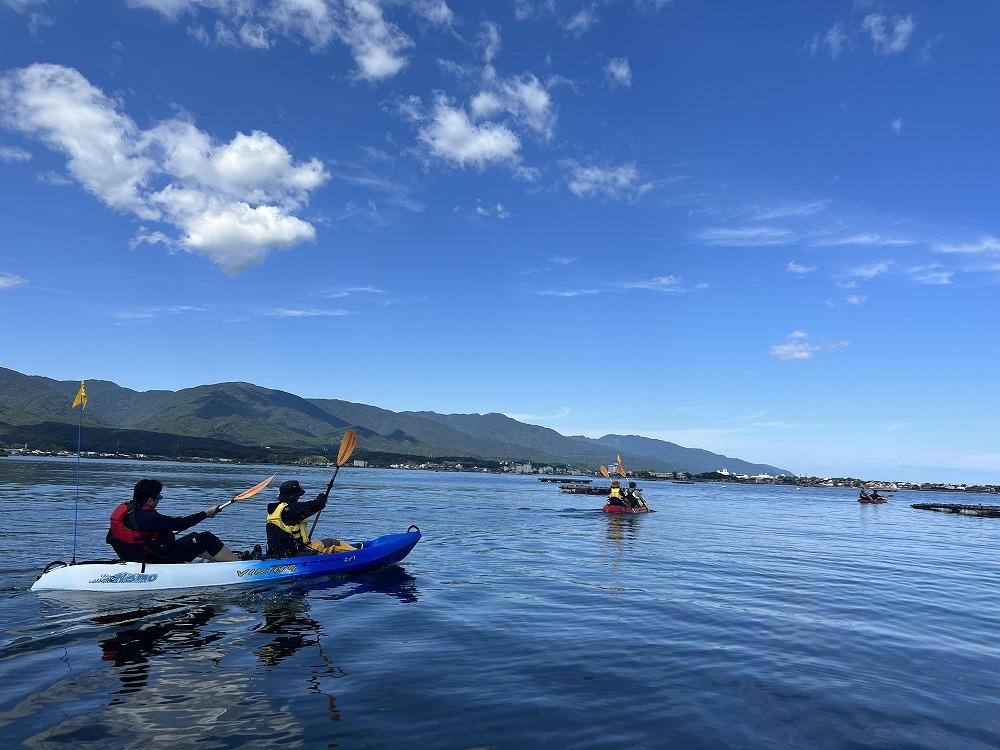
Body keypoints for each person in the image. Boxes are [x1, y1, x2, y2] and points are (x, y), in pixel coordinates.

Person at [107, 479, 253, 563]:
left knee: (194, 537)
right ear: (150, 500)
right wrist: (206, 513)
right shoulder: (148, 517)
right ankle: (239, 565)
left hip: (143, 554)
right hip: (157, 558)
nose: (159, 500)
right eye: (159, 497)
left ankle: (225, 561)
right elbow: (181, 524)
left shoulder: (129, 512)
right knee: (205, 538)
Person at [265, 480, 357, 559]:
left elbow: (308, 506)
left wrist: (320, 501)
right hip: (296, 554)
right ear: (294, 496)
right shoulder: (290, 510)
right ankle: (357, 554)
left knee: (324, 544)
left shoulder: (274, 510)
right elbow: (316, 505)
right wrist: (321, 498)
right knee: (332, 543)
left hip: (277, 553)